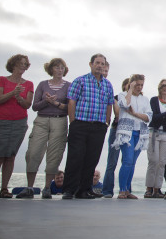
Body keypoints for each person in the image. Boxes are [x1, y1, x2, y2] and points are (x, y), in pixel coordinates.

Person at [61, 54, 114, 200]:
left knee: (92, 159)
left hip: (98, 126)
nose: (100, 66)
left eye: (102, 64)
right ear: (90, 64)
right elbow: (71, 101)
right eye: (97, 63)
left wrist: (106, 122)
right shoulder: (80, 81)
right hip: (80, 124)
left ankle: (84, 190)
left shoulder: (107, 84)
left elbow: (109, 104)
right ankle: (69, 190)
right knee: (75, 157)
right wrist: (73, 122)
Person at [0, 54, 33, 198]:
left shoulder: (28, 83)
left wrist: (18, 97)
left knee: (10, 156)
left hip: (19, 122)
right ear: (14, 64)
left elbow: (27, 104)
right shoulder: (2, 80)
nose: (23, 66)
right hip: (0, 121)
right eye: (21, 63)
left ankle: (4, 189)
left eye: (25, 64)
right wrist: (12, 93)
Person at [19, 58, 70, 199]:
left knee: (54, 155)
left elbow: (70, 108)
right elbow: (35, 106)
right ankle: (29, 187)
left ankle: (47, 187)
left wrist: (56, 103)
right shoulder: (42, 85)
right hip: (42, 119)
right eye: (57, 67)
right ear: (51, 69)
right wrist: (46, 101)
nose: (60, 70)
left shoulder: (69, 86)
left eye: (62, 68)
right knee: (33, 152)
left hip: (59, 121)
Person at [112, 74, 151, 199]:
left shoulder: (145, 99)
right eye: (137, 84)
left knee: (132, 162)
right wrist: (130, 89)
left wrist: (135, 114)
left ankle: (127, 190)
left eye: (141, 85)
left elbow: (148, 117)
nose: (139, 87)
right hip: (126, 133)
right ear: (131, 83)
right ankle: (122, 190)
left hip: (140, 133)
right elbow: (125, 105)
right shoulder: (122, 95)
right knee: (127, 160)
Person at [145, 78, 166, 198]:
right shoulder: (154, 100)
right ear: (159, 88)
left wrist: (165, 116)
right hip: (154, 133)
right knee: (153, 161)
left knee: (162, 162)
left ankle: (157, 189)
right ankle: (149, 188)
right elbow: (154, 118)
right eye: (163, 86)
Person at [101, 76, 128, 198]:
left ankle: (126, 190)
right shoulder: (117, 98)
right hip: (117, 130)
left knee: (128, 162)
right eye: (129, 85)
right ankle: (107, 190)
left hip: (130, 132)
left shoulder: (139, 100)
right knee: (112, 162)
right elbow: (117, 112)